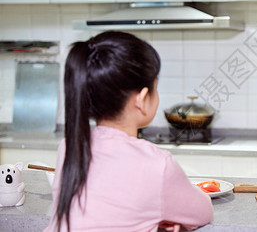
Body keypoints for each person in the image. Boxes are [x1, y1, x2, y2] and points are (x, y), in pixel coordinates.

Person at [45, 31, 213, 232]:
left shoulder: (69, 147)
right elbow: (203, 212)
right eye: (155, 87)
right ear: (141, 99)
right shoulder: (157, 163)